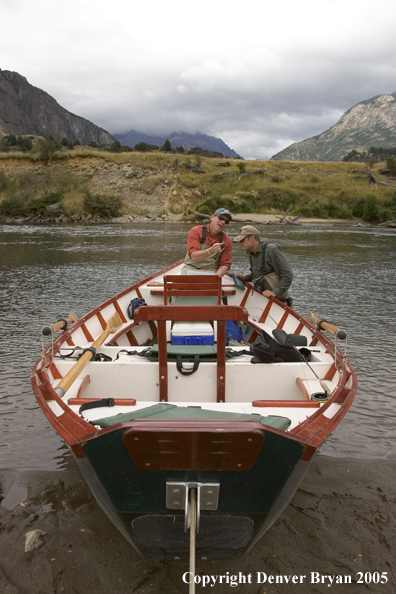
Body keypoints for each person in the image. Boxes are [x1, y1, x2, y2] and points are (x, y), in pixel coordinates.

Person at [233, 225, 293, 305]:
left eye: (242, 240)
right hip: (265, 301)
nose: (240, 243)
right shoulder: (251, 253)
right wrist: (245, 278)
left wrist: (274, 292)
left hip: (279, 303)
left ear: (252, 238)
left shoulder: (272, 250)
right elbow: (260, 274)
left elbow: (288, 274)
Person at [183, 208, 233, 276]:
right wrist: (211, 251)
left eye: (226, 221)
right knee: (184, 285)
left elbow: (225, 264)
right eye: (221, 218)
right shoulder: (195, 231)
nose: (223, 222)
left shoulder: (227, 240)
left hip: (211, 270)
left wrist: (218, 275)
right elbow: (194, 257)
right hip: (191, 267)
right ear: (212, 217)